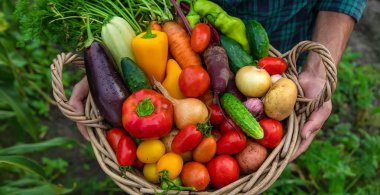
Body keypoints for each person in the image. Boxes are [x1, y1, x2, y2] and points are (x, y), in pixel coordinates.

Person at [69, 0, 367, 160]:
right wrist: (103, 67)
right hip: (177, 20)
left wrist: (318, 70)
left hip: (275, 51)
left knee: (263, 143)